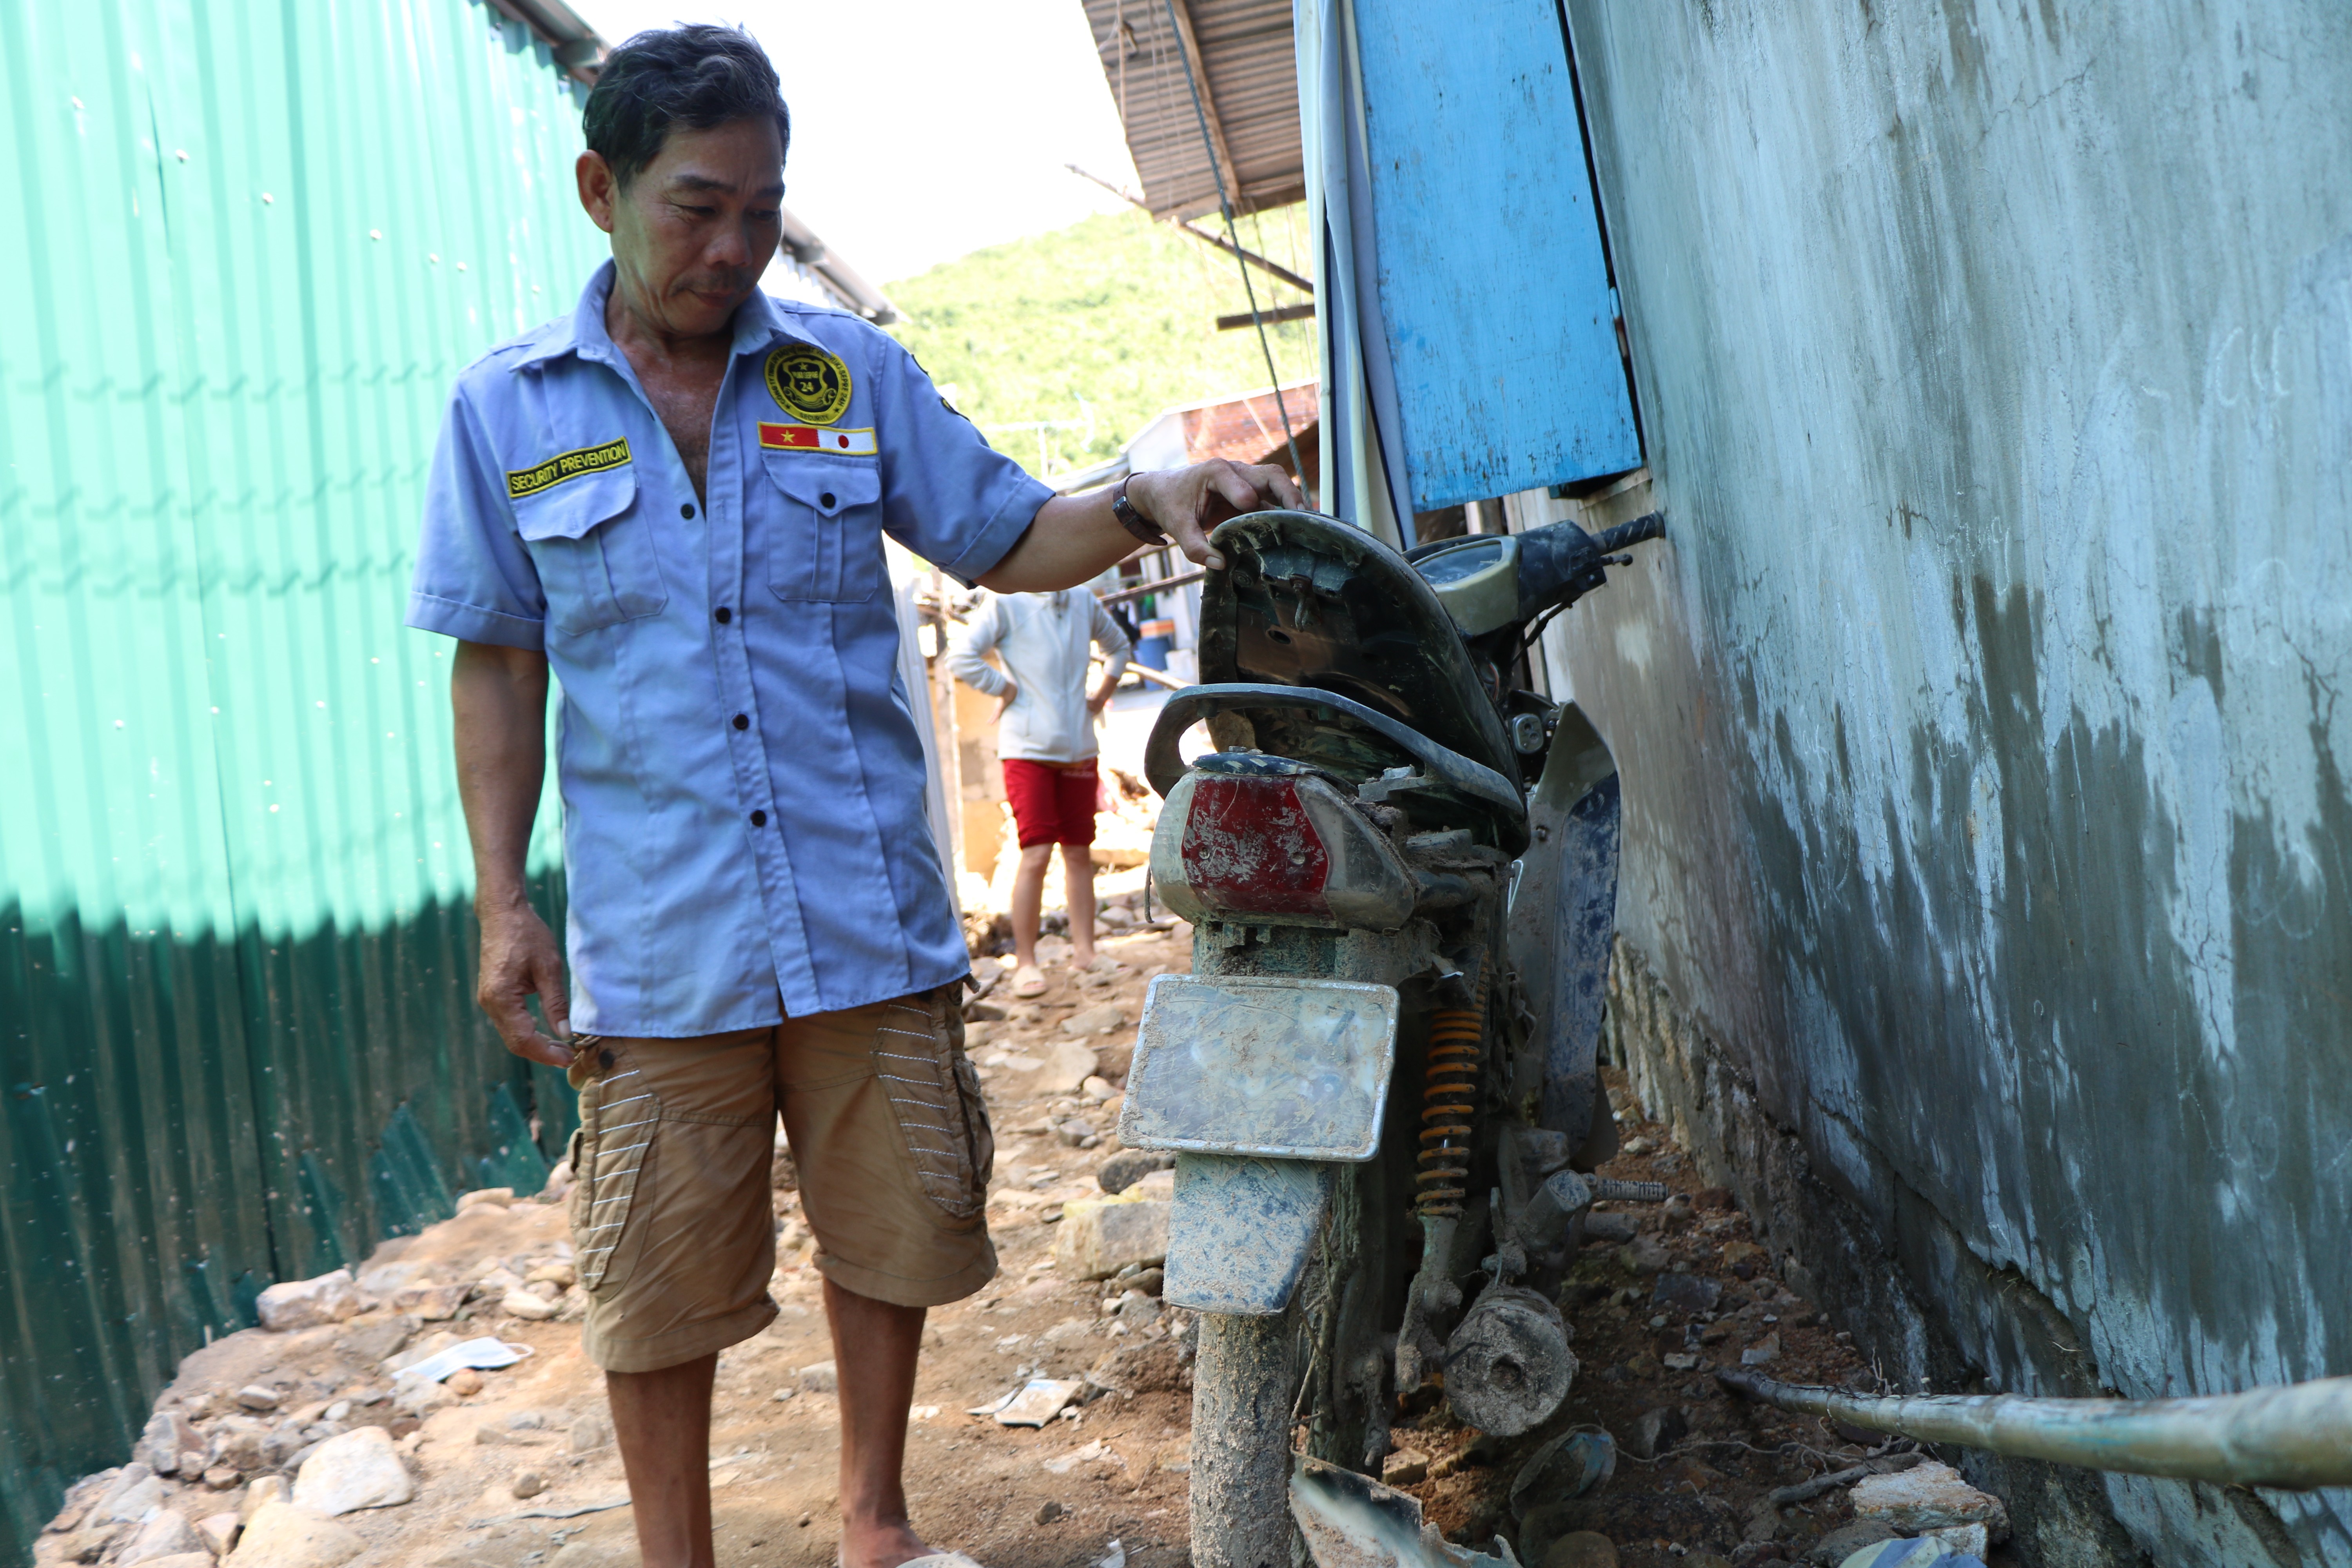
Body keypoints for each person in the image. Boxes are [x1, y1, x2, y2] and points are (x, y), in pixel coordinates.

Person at [401, 26, 1299, 1568]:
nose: (736, 244)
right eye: (698, 206)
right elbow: (497, 663)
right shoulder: (510, 416)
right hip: (662, 932)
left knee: (894, 1220)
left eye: (762, 208)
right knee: (653, 1268)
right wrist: (502, 901)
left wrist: (1153, 497)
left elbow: (1011, 534)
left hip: (860, 907)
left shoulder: (844, 374)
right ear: (597, 189)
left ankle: (872, 1517)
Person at [946, 588, 1132, 996]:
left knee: (1080, 852)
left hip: (1080, 746)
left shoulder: (1083, 600)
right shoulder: (1006, 603)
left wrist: (1101, 696)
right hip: (1027, 750)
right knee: (1036, 852)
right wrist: (1004, 688)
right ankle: (1025, 962)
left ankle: (1086, 950)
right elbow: (960, 656)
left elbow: (1118, 647)